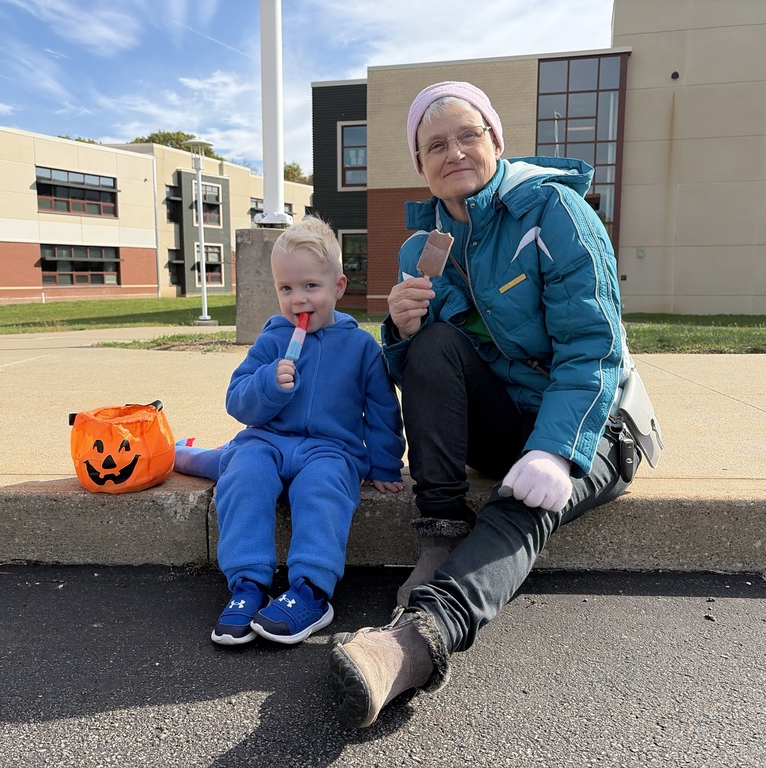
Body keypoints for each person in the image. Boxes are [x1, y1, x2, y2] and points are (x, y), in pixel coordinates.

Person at [329, 81, 644, 728]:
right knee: (434, 342)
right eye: (434, 144)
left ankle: (415, 644)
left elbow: (594, 346)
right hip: (507, 418)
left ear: (495, 140)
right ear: (421, 167)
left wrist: (557, 452)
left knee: (522, 503)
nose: (454, 152)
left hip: (596, 422)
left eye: (467, 134)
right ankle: (440, 533)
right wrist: (400, 332)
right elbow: (431, 372)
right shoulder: (424, 247)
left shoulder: (553, 211)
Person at [181, 216, 405, 647]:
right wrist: (268, 382)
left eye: (310, 287)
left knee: (323, 487)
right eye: (286, 289)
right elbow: (237, 399)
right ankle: (247, 585)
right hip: (266, 441)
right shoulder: (272, 338)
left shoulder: (361, 347)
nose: (298, 299)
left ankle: (311, 592)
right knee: (243, 474)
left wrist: (385, 463)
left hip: (330, 448)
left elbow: (381, 410)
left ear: (338, 287)